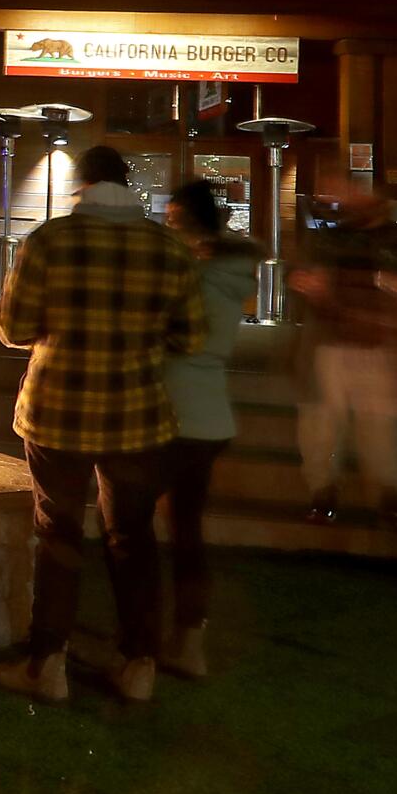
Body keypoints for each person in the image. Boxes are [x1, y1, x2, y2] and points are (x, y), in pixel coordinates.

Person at [0, 146, 205, 706]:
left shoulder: (49, 240)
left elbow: (13, 328)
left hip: (57, 411)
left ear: (81, 186)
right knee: (131, 536)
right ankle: (139, 664)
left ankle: (48, 662)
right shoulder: (168, 247)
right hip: (137, 415)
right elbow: (193, 337)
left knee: (58, 534)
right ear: (127, 186)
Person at [157, 180, 262, 677]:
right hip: (212, 413)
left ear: (184, 218)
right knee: (187, 529)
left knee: (132, 525)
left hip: (169, 407)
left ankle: (146, 639)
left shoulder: (186, 273)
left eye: (172, 218)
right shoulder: (234, 272)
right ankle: (189, 638)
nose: (166, 225)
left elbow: (170, 335)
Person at [290, 180, 397, 530]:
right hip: (334, 343)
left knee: (378, 430)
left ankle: (391, 500)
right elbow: (304, 279)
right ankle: (325, 495)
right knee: (322, 427)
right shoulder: (332, 240)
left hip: (377, 347)